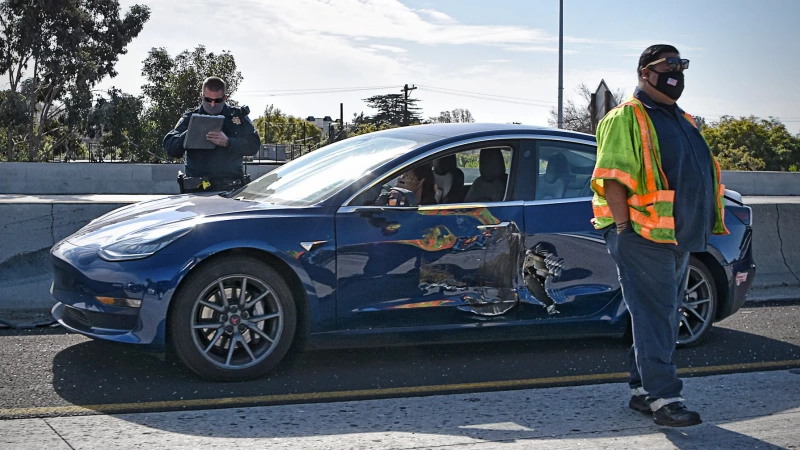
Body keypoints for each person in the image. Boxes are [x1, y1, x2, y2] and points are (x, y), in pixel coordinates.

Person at [590, 44, 729, 427]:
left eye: (681, 65)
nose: (676, 72)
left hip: (676, 235)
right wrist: (623, 229)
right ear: (643, 73)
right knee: (657, 316)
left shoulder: (681, 118)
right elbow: (611, 177)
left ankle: (641, 390)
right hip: (641, 235)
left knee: (659, 316)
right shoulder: (627, 117)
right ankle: (665, 398)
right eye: (667, 65)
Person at [164, 76, 260, 192]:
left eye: (218, 100)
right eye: (208, 100)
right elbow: (170, 147)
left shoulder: (237, 117)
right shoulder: (190, 118)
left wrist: (228, 142)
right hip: (197, 191)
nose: (213, 104)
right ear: (201, 96)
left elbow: (254, 145)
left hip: (230, 191)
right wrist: (191, 133)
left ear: (225, 98)